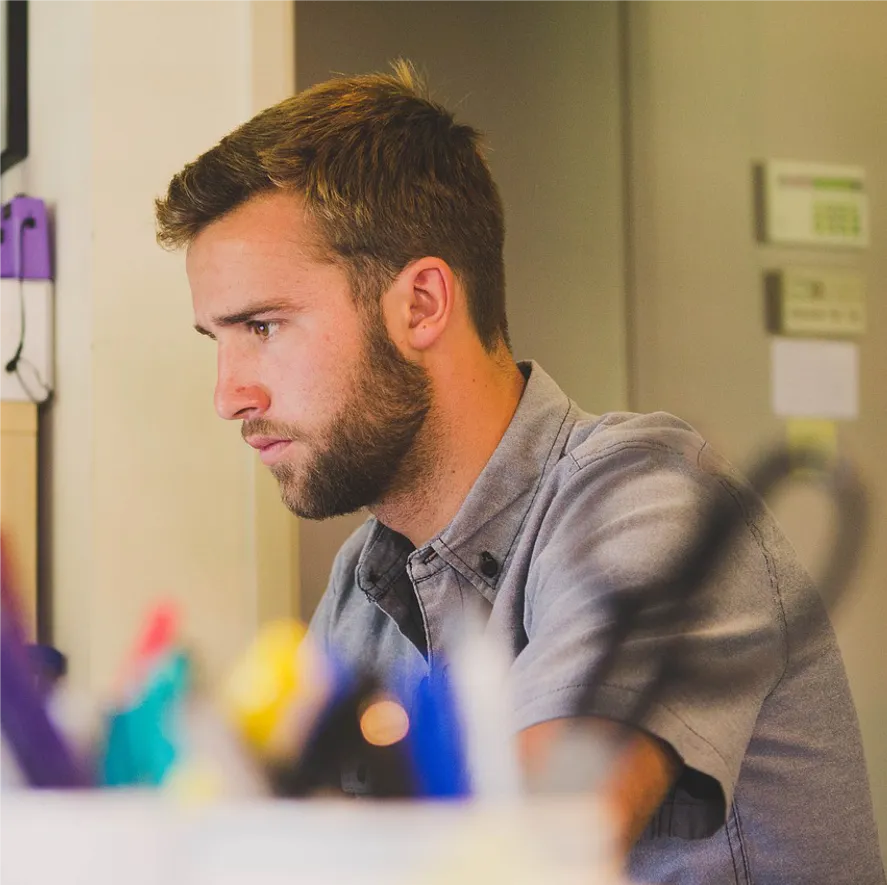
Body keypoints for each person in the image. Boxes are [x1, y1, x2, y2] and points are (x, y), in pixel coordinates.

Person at [155, 62, 884, 883]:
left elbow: (535, 850)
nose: (229, 394)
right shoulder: (364, 585)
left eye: (261, 325)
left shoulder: (650, 499)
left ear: (422, 303)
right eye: (216, 340)